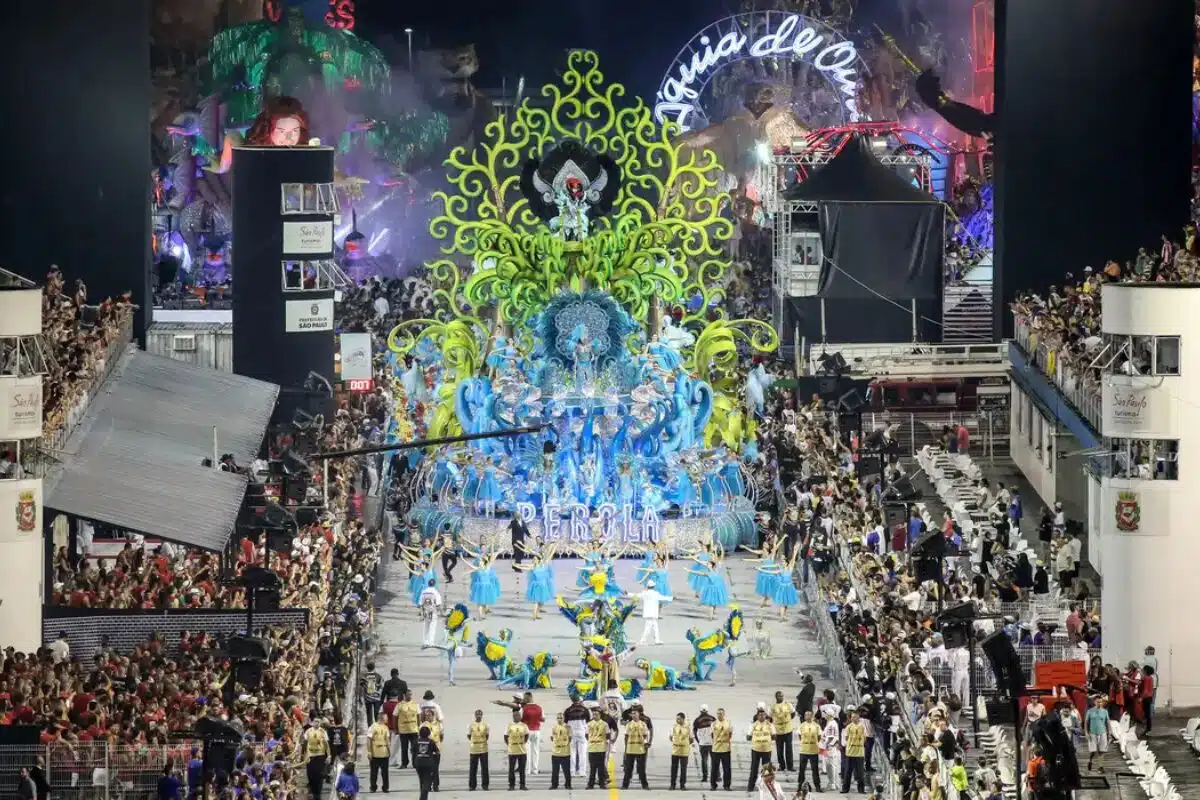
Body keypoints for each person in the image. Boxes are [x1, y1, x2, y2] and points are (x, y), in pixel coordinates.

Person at [629, 579, 668, 645]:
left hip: (647, 613)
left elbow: (636, 595)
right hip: (654, 613)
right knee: (649, 627)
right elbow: (663, 598)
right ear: (654, 587)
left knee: (654, 626)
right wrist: (672, 598)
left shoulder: (645, 593)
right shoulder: (656, 594)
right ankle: (643, 641)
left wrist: (627, 593)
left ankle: (656, 640)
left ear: (647, 586)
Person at [622, 707, 652, 789]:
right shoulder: (629, 724)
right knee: (628, 769)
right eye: (632, 714)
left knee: (641, 769)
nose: (634, 715)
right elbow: (626, 736)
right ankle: (625, 785)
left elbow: (646, 735)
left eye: (635, 713)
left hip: (640, 749)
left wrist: (646, 743)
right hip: (630, 749)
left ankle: (645, 785)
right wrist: (626, 748)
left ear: (639, 714)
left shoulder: (643, 724)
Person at [747, 708, 775, 792]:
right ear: (757, 716)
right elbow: (748, 737)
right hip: (756, 750)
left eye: (763, 715)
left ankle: (766, 787)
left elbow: (774, 736)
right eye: (759, 715)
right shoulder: (753, 725)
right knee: (754, 769)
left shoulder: (770, 725)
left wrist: (765, 739)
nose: (761, 716)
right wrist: (758, 738)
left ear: (766, 716)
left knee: (766, 770)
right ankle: (750, 787)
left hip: (766, 750)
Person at [304, 719, 332, 800]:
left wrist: (329, 755)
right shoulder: (308, 731)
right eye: (315, 721)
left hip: (320, 756)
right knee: (310, 774)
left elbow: (326, 744)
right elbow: (305, 742)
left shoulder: (323, 731)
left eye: (318, 721)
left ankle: (317, 794)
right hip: (310, 756)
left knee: (319, 776)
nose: (316, 723)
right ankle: (312, 791)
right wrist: (304, 754)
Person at [392, 690, 420, 768]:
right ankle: (404, 763)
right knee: (404, 748)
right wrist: (395, 728)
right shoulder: (399, 705)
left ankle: (415, 763)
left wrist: (419, 727)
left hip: (414, 730)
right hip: (403, 730)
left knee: (415, 748)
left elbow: (418, 716)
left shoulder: (415, 704)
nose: (409, 696)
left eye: (410, 695)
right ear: (404, 695)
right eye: (408, 695)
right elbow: (395, 716)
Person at [841, 711, 867, 794]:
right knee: (847, 771)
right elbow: (846, 738)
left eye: (855, 717)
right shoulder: (848, 727)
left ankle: (861, 789)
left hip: (859, 753)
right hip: (850, 752)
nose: (853, 718)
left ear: (858, 717)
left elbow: (865, 738)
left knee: (860, 773)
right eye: (852, 717)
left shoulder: (862, 727)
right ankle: (845, 789)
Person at [505, 708, 531, 789]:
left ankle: (522, 785)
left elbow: (527, 735)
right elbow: (506, 736)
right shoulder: (509, 725)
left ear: (520, 717)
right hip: (512, 751)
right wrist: (510, 744)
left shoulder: (524, 725)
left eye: (518, 715)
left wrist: (523, 742)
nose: (516, 717)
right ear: (513, 717)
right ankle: (511, 785)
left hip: (522, 751)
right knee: (511, 769)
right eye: (515, 715)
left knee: (522, 769)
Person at [586, 708, 612, 789]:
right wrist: (593, 740)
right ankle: (591, 784)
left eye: (596, 714)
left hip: (601, 748)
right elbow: (586, 735)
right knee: (592, 768)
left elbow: (608, 735)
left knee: (601, 767)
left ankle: (602, 783)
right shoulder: (589, 724)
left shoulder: (604, 724)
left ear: (600, 715)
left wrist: (601, 741)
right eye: (594, 714)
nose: (595, 716)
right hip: (592, 748)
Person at [798, 710, 822, 791]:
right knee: (802, 769)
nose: (807, 716)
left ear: (812, 716)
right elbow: (799, 736)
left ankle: (817, 786)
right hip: (804, 751)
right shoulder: (801, 725)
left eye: (809, 714)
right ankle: (800, 786)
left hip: (813, 751)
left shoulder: (817, 726)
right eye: (806, 715)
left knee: (815, 769)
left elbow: (819, 737)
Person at [367, 714, 392, 792]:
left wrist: (389, 750)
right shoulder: (373, 727)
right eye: (386, 718)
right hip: (375, 753)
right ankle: (373, 787)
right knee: (374, 772)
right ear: (381, 718)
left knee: (385, 772)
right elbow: (369, 740)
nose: (387, 719)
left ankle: (385, 787)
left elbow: (387, 740)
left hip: (384, 753)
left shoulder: (385, 727)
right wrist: (369, 751)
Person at [772, 690, 796, 771]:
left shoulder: (788, 704)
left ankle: (790, 766)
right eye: (779, 696)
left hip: (788, 729)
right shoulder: (773, 707)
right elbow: (769, 717)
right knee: (779, 750)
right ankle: (781, 766)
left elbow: (793, 713)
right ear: (776, 697)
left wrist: (787, 720)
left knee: (789, 749)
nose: (781, 697)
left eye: (782, 696)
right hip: (778, 731)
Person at [711, 707, 734, 791]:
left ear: (724, 714)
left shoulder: (728, 723)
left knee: (727, 769)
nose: (719, 715)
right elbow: (712, 735)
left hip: (726, 749)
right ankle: (713, 785)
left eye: (721, 713)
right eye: (718, 714)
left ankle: (727, 785)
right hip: (716, 749)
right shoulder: (713, 724)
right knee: (714, 769)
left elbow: (730, 734)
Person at [414, 726, 440, 800]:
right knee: (427, 781)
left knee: (421, 780)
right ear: (429, 733)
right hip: (428, 763)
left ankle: (422, 795)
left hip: (419, 763)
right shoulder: (431, 741)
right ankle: (423, 797)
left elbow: (413, 751)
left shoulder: (416, 741)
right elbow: (437, 751)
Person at [468, 708, 491, 790]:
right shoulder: (471, 725)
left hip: (483, 749)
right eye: (477, 714)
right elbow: (469, 736)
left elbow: (487, 736)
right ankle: (472, 786)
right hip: (474, 749)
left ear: (482, 715)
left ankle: (485, 785)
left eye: (480, 715)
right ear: (475, 715)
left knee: (484, 768)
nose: (478, 716)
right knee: (473, 769)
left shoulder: (486, 725)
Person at [1085, 696, 1110, 771]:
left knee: (1102, 751)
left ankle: (1100, 767)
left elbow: (1107, 723)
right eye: (1098, 702)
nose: (1099, 703)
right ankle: (1090, 761)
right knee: (1093, 751)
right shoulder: (1090, 711)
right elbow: (1086, 723)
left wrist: (1109, 733)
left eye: (1101, 702)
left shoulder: (1105, 711)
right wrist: (1086, 732)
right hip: (1093, 733)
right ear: (1094, 702)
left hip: (1102, 732)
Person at [550, 712, 573, 790]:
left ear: (564, 718)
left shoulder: (568, 727)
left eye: (561, 718)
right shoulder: (554, 727)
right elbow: (552, 738)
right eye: (558, 718)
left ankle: (568, 784)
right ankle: (554, 784)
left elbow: (570, 738)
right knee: (555, 771)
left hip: (565, 753)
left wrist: (563, 743)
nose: (560, 719)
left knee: (567, 771)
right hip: (555, 753)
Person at [670, 711, 693, 790]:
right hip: (675, 751)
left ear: (683, 719)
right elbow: (670, 737)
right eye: (677, 719)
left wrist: (684, 743)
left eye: (679, 719)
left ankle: (682, 785)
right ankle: (672, 785)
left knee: (683, 770)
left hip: (684, 752)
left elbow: (691, 739)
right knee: (674, 769)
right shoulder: (674, 726)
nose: (677, 720)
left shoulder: (688, 727)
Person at [694, 704, 716, 784]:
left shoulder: (697, 720)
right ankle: (717, 776)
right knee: (714, 760)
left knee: (704, 761)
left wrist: (698, 741)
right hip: (712, 743)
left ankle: (705, 777)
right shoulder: (713, 718)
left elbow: (694, 731)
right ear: (707, 710)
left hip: (702, 743)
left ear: (700, 710)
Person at [419, 578, 443, 646]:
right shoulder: (436, 592)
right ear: (434, 584)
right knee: (433, 626)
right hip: (433, 611)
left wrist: (421, 614)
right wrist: (441, 613)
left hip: (426, 611)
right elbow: (438, 604)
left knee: (426, 626)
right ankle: (431, 642)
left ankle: (425, 641)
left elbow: (420, 604)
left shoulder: (424, 592)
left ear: (428, 584)